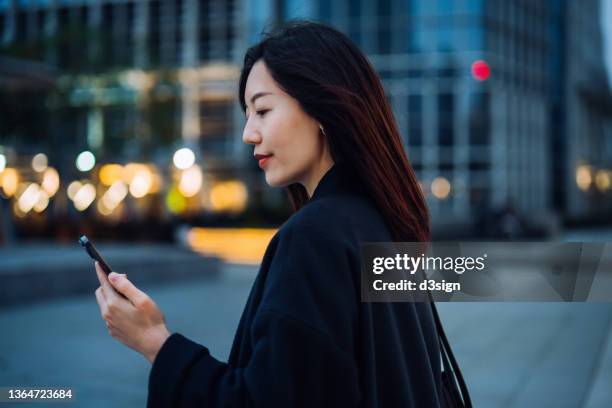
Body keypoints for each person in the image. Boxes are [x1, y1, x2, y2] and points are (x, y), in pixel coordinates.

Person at [94, 20, 444, 407]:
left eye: (262, 110)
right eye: (247, 113)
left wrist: (155, 342)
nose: (248, 133)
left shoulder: (315, 237)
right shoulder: (382, 224)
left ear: (323, 107)